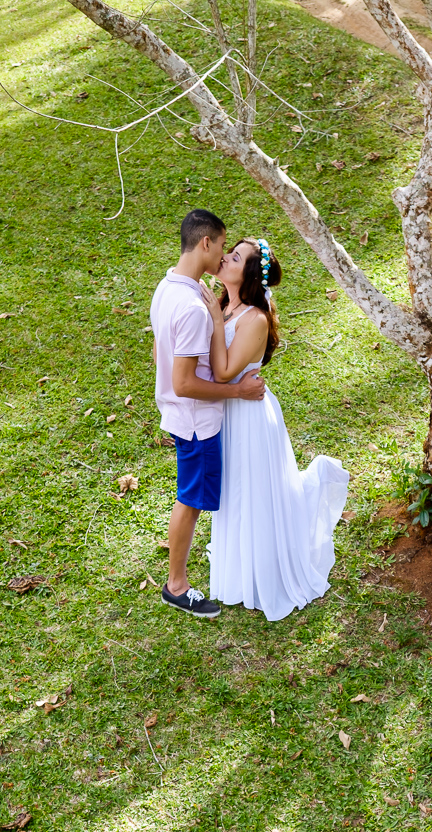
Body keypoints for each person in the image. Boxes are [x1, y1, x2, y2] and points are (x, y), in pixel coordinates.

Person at [200, 237, 349, 622]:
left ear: (247, 274)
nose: (224, 258)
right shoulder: (223, 306)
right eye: (228, 252)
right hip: (228, 411)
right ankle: (239, 566)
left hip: (249, 415)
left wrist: (214, 321)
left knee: (253, 489)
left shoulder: (255, 319)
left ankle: (264, 570)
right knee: (233, 489)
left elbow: (224, 371)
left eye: (235, 257)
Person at [150, 209, 265, 618]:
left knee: (193, 495)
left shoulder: (167, 288)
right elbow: (185, 383)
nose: (222, 255)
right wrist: (236, 391)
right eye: (222, 246)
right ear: (205, 243)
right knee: (191, 499)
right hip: (196, 421)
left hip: (181, 414)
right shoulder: (197, 308)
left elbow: (161, 356)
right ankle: (176, 586)